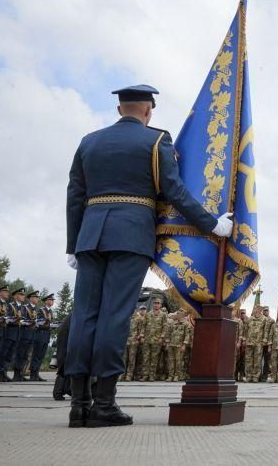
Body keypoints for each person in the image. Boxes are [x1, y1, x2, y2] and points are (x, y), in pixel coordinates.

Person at [65, 84, 233, 428]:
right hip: (130, 233)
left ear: (119, 109)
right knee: (115, 316)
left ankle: (79, 404)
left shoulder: (89, 142)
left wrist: (73, 244)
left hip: (90, 235)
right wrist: (210, 224)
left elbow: (75, 195)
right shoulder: (156, 141)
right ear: (147, 111)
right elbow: (174, 191)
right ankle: (104, 404)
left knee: (84, 316)